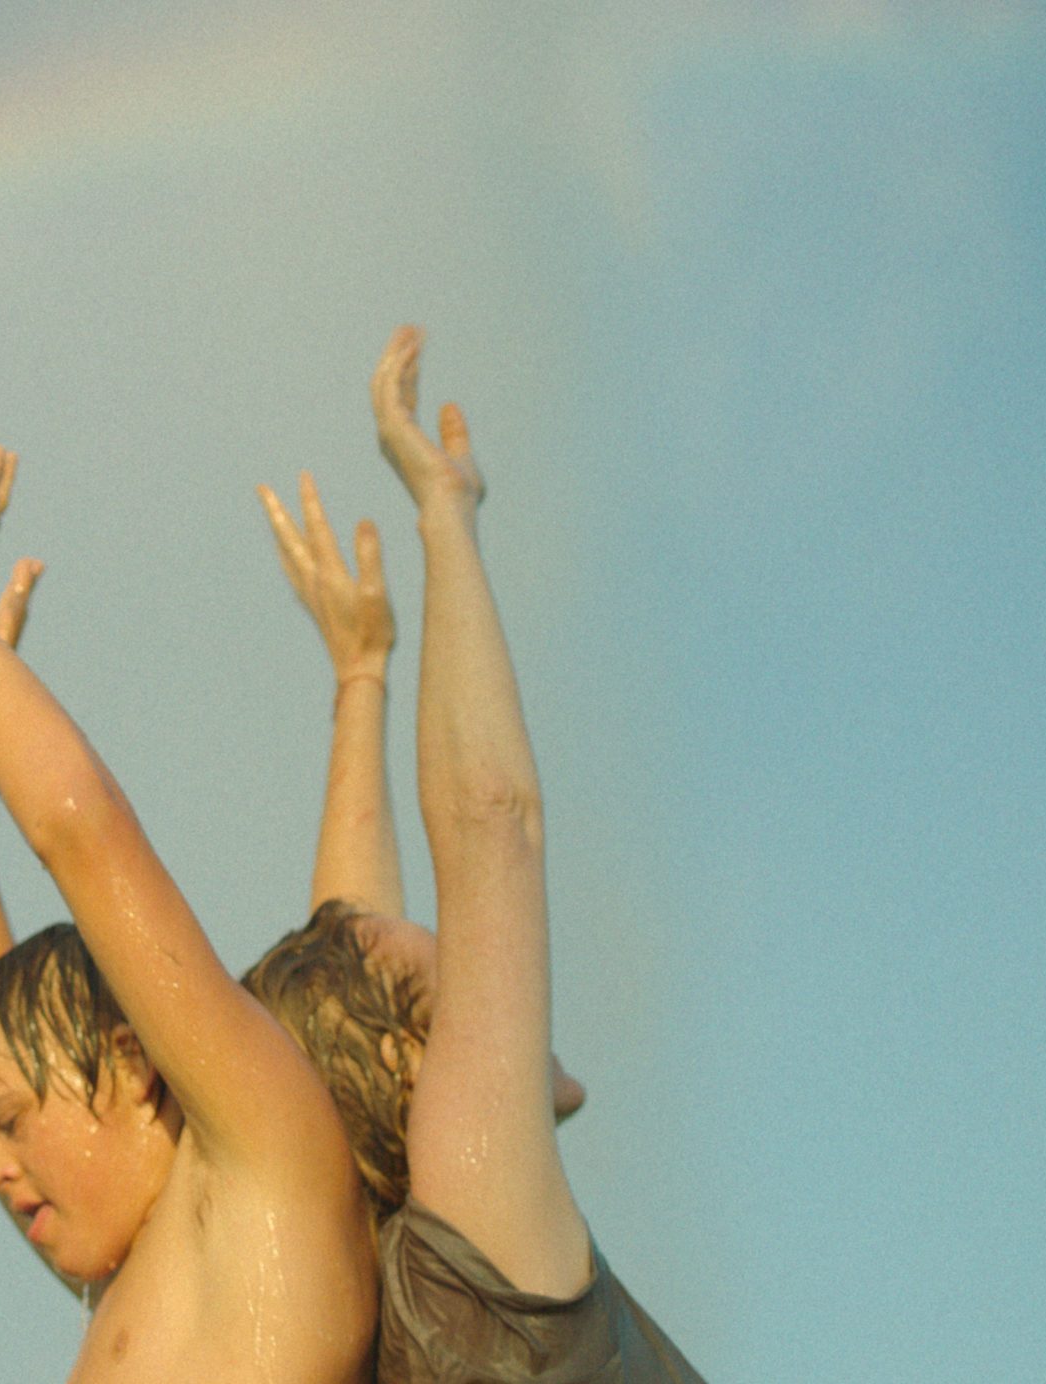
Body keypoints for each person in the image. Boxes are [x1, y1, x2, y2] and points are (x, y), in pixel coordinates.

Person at [247, 327, 701, 1382]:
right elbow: (490, 823)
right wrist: (445, 512)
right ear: (415, 1069)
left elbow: (345, 971)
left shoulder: (402, 1292)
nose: (485, 972)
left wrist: (362, 674)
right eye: (444, 979)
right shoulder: (477, 1247)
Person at [0, 448, 376, 1382]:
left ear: (134, 1063)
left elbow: (84, 833)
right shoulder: (131, 1281)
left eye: (12, 1122)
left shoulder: (265, 1166)